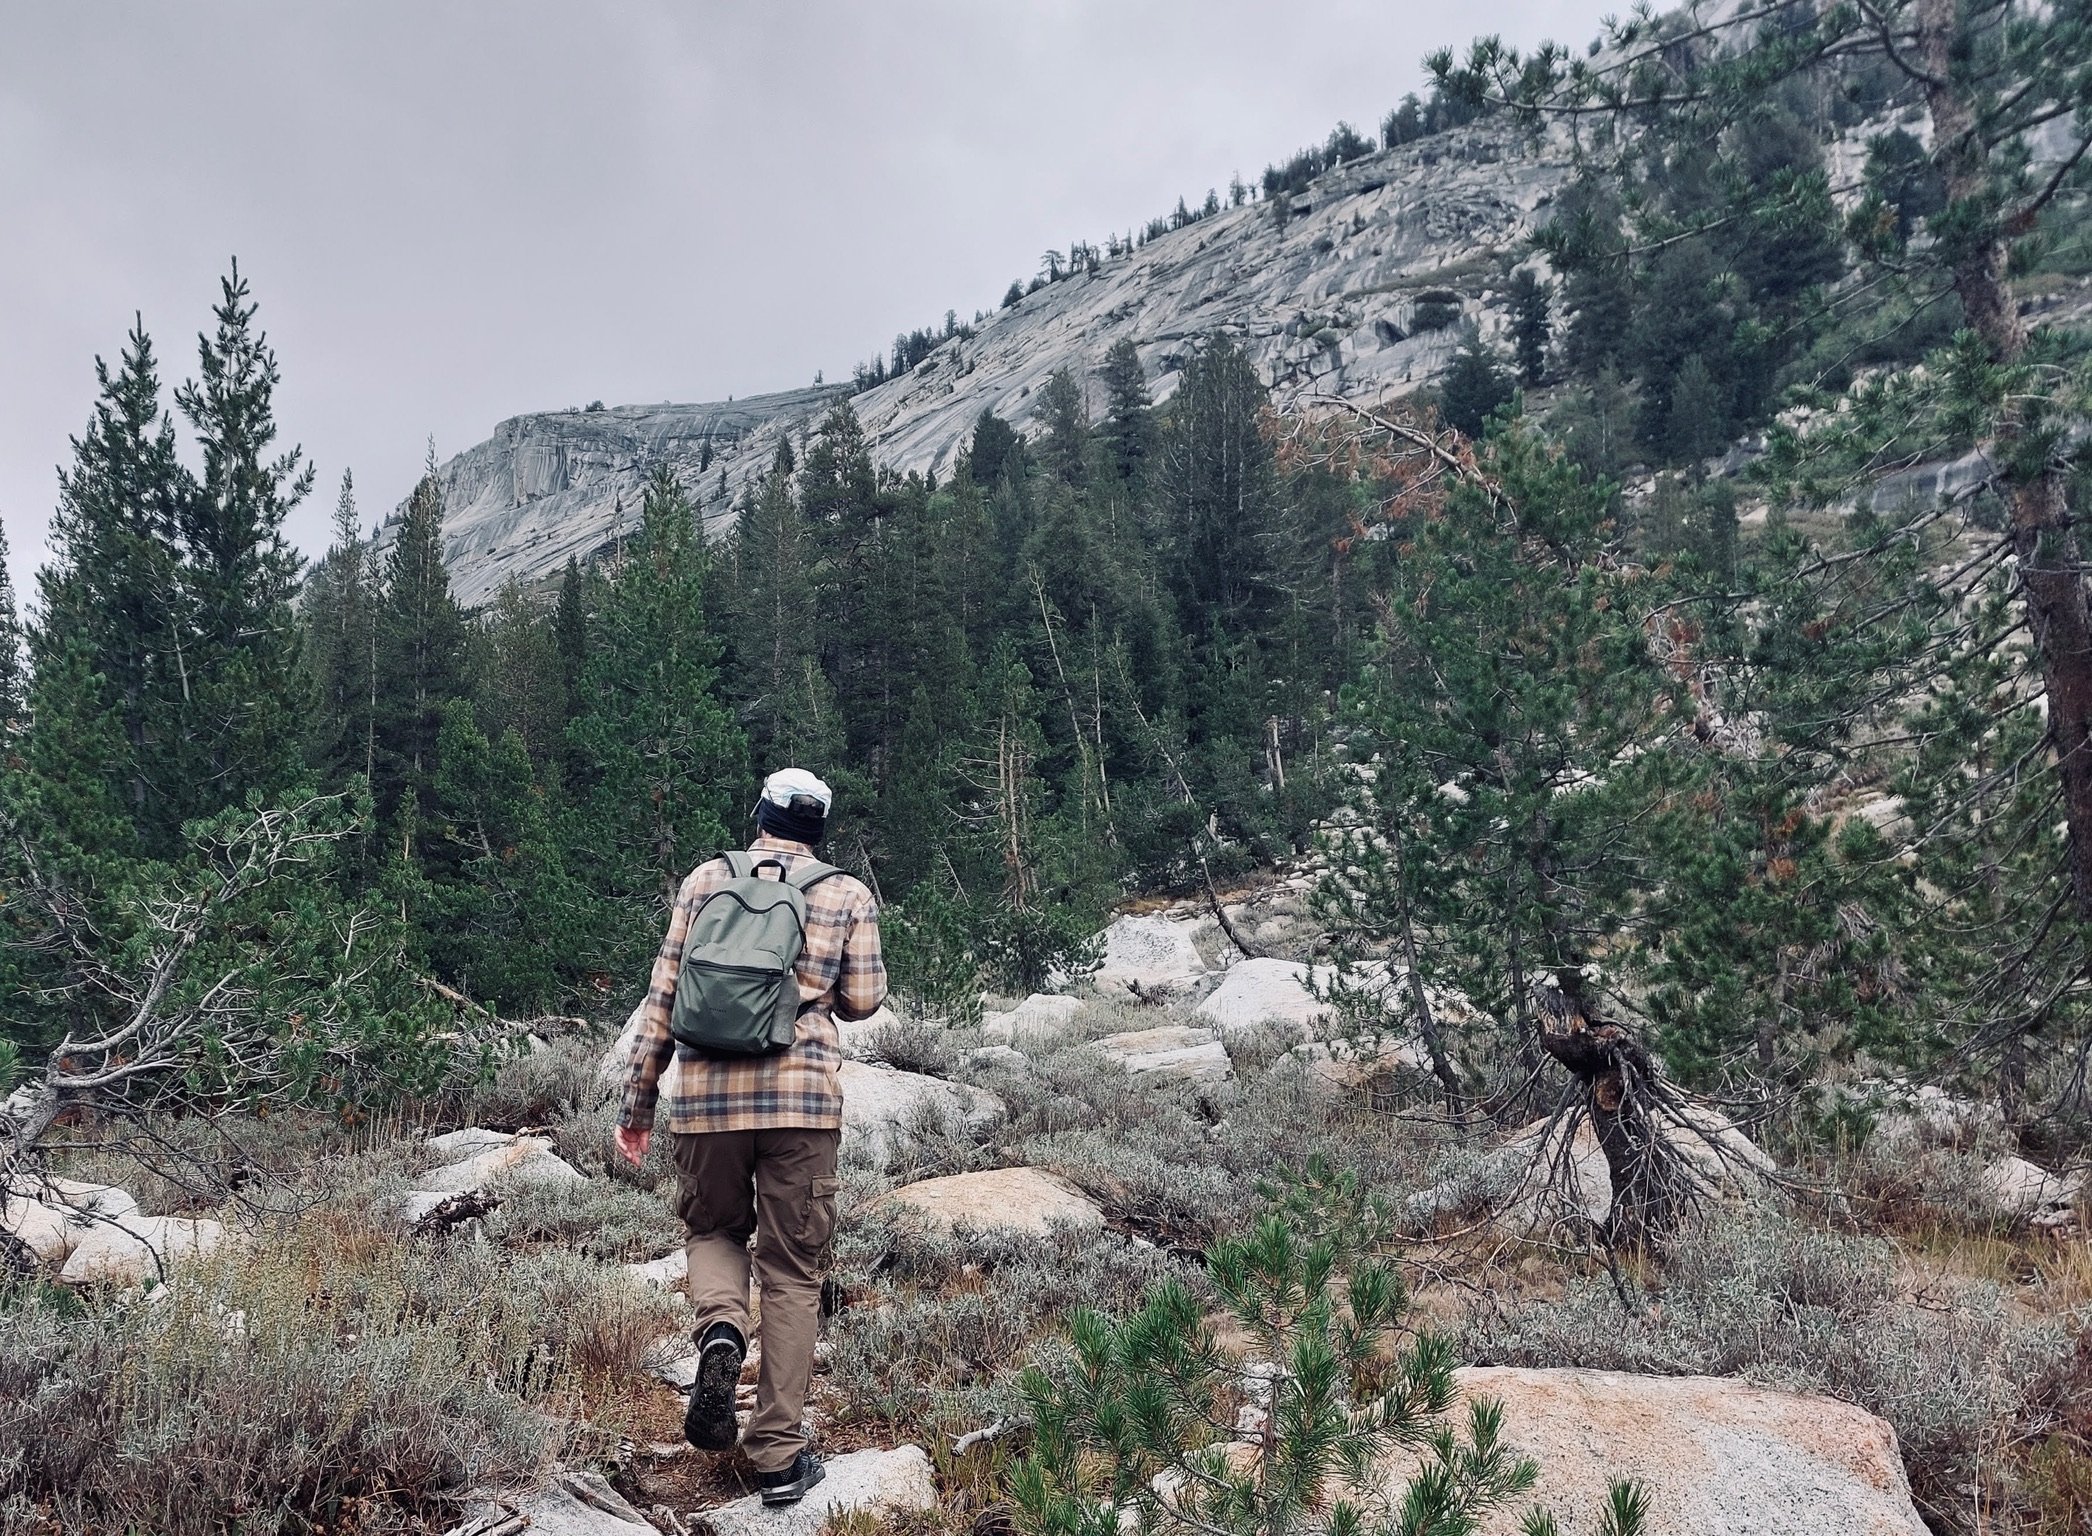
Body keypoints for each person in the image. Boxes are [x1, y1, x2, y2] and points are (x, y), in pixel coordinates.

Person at [615, 767, 886, 1505]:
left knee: (712, 1231)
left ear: (760, 814)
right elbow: (862, 999)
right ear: (819, 829)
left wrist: (638, 1105)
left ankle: (722, 1334)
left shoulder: (705, 881)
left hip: (706, 1102)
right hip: (800, 1106)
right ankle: (776, 1455)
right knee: (795, 1273)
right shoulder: (846, 893)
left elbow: (663, 995)